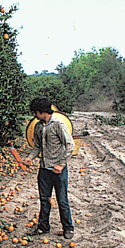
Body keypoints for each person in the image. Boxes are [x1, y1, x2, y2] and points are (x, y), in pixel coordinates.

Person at [23, 97, 75, 239]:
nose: (34, 115)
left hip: (58, 170)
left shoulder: (59, 124)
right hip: (44, 170)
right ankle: (43, 226)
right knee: (44, 199)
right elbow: (37, 146)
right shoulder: (38, 126)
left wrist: (61, 164)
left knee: (62, 200)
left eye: (35, 112)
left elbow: (70, 145)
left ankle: (68, 228)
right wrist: (30, 157)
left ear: (43, 111)